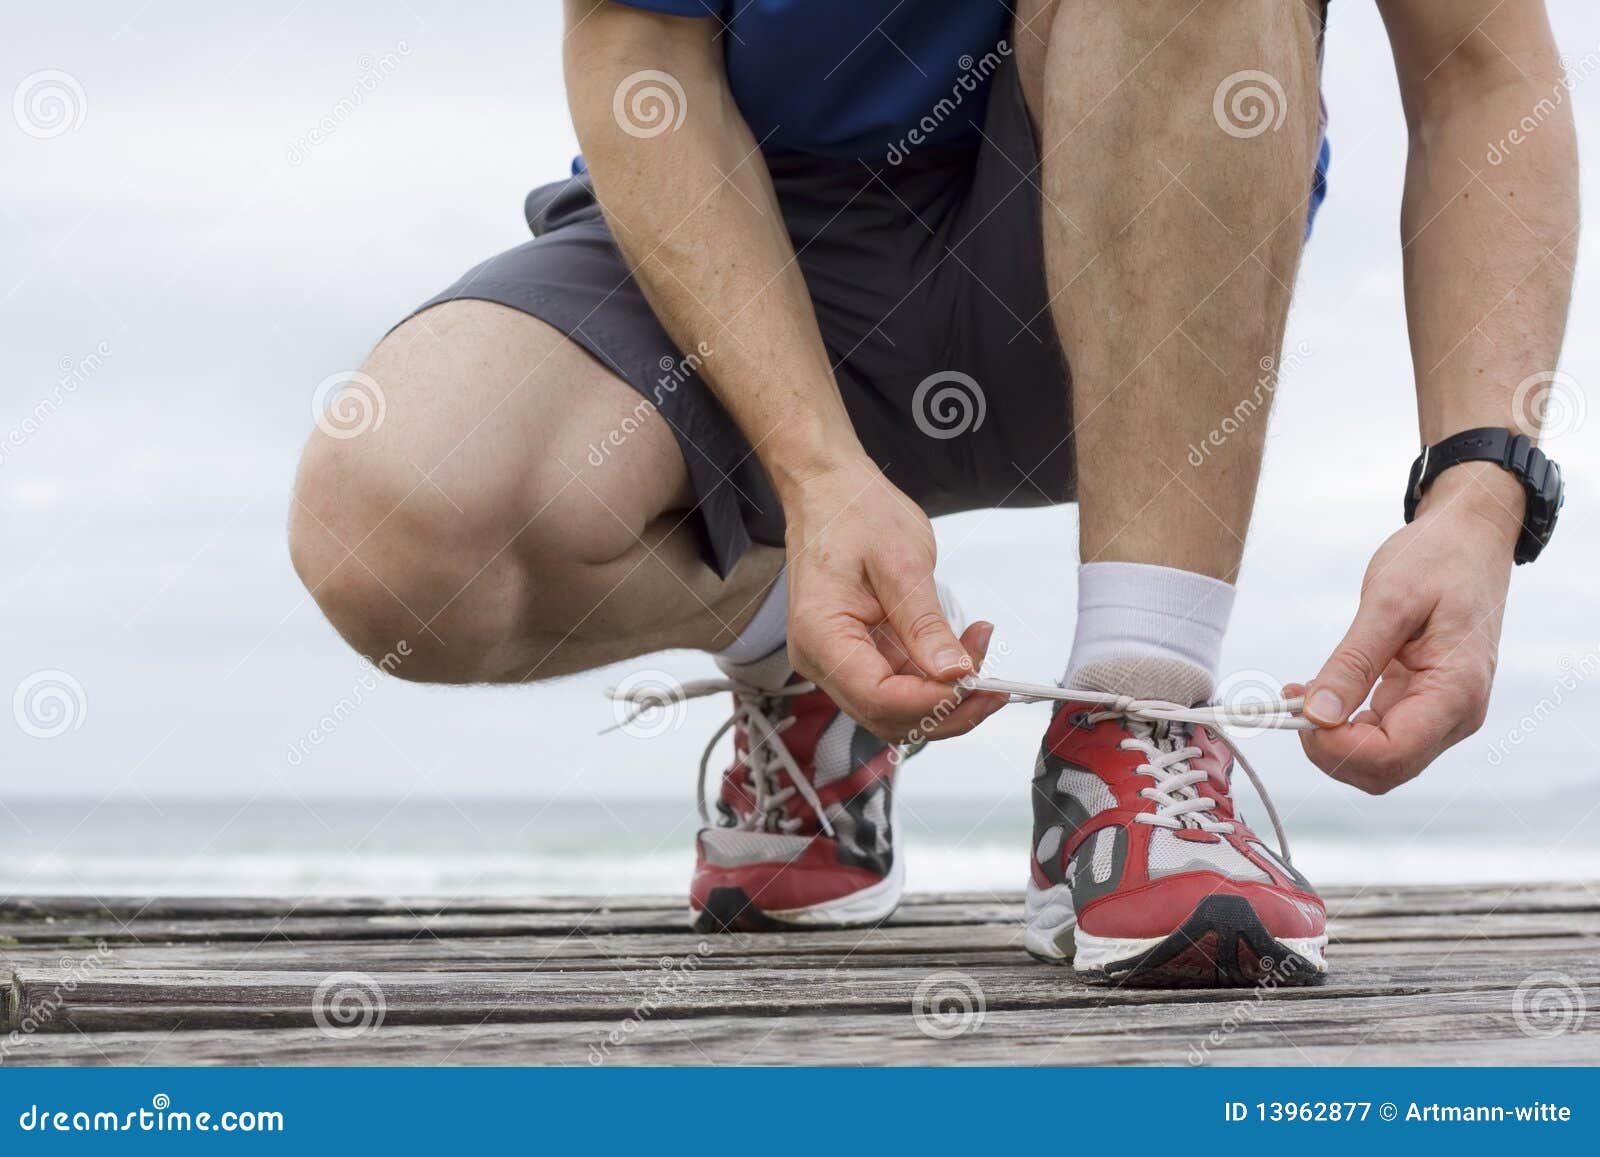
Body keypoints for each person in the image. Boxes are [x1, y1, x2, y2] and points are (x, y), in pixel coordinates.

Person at [288, 0, 1575, 986]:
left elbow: (1479, 67)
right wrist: (812, 468)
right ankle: (793, 643)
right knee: (393, 528)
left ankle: (1138, 714)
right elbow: (638, 51)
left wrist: (1477, 490)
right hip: (746, 246)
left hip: (1128, 251)